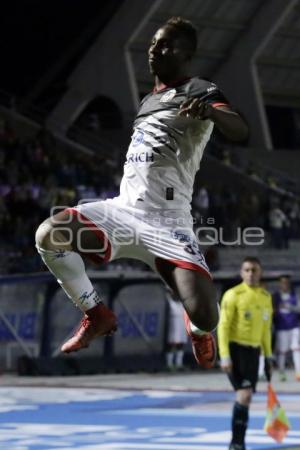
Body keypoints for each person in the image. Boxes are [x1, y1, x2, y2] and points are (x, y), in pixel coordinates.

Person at [35, 17, 248, 367]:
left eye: (166, 44)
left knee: (208, 316)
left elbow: (240, 129)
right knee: (49, 234)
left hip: (169, 224)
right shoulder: (148, 100)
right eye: (153, 43)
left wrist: (210, 111)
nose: (155, 49)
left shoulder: (200, 89)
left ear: (187, 54)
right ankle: (97, 313)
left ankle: (196, 330)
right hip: (123, 212)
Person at [217, 257, 273, 450]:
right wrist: (224, 355)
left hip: (254, 351)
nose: (250, 274)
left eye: (254, 270)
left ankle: (239, 441)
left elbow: (266, 330)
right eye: (247, 270)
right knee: (244, 394)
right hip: (236, 349)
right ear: (241, 273)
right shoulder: (233, 295)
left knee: (246, 397)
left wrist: (268, 356)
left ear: (260, 272)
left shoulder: (265, 297)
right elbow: (223, 327)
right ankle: (237, 443)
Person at [273, 275, 300, 381]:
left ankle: (298, 372)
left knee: (296, 349)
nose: (285, 284)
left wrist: (290, 307)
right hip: (281, 327)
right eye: (283, 282)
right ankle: (281, 372)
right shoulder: (275, 296)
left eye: (287, 282)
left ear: (289, 283)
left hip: (294, 326)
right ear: (280, 284)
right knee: (282, 351)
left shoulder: (295, 295)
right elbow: (271, 310)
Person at [165, 288, 188, 371]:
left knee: (181, 345)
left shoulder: (182, 304)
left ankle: (179, 364)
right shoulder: (170, 302)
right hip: (173, 327)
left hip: (182, 326)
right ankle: (169, 364)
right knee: (171, 345)